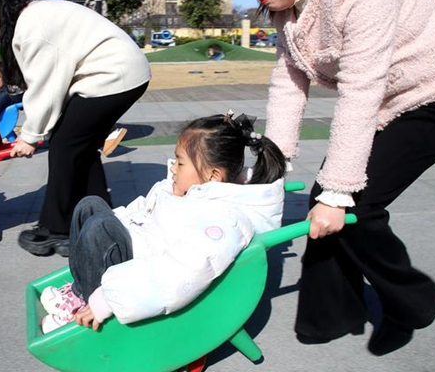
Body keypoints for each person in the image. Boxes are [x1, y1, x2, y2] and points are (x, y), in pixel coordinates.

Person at [229, 0, 435, 356]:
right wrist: (270, 169)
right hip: (390, 101)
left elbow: (360, 89)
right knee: (325, 203)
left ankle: (413, 303)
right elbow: (288, 85)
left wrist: (340, 189)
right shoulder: (291, 7)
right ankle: (329, 319)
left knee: (352, 207)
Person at [37, 113, 287, 333]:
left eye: (180, 162)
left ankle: (84, 302)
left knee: (98, 228)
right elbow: (143, 209)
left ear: (212, 176)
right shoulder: (180, 190)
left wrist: (106, 300)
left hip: (135, 275)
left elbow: (180, 272)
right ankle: (81, 288)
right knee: (89, 206)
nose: (174, 169)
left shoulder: (221, 220)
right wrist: (117, 222)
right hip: (136, 247)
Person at [0, 0, 151, 257]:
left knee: (66, 145)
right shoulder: (29, 18)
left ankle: (58, 229)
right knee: (79, 144)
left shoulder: (31, 28)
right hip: (113, 73)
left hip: (115, 75)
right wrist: (37, 130)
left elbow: (47, 87)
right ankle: (96, 218)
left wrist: (31, 136)